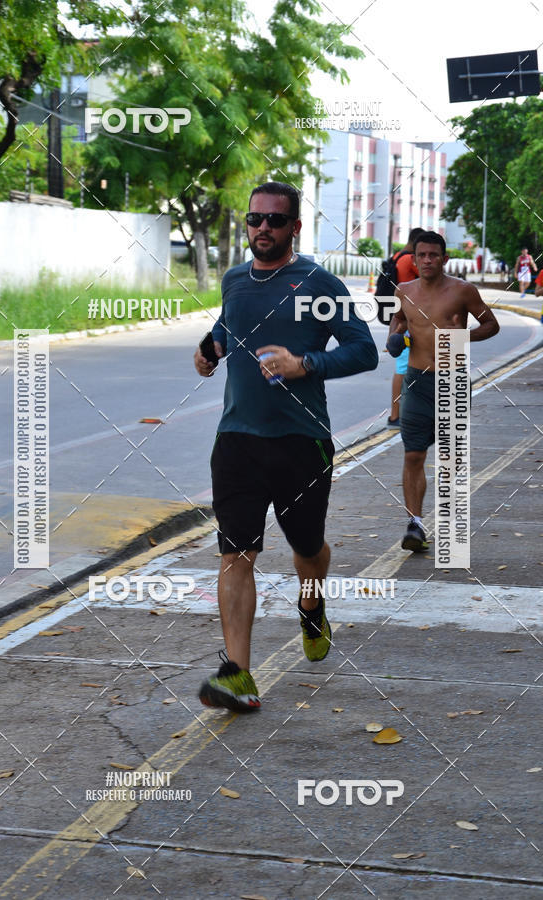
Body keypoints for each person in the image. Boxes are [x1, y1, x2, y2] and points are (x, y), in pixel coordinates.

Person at [193, 181, 378, 711]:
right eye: (255, 220)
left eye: (275, 221)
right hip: (237, 441)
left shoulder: (318, 283)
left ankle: (312, 604)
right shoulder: (234, 280)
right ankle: (238, 676)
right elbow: (226, 332)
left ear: (295, 226)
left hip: (302, 443)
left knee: (307, 549)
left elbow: (364, 351)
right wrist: (208, 353)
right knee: (236, 554)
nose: (263, 229)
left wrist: (306, 365)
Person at [387, 232, 499, 552]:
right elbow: (398, 322)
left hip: (453, 381)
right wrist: (396, 337)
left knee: (449, 459)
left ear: (444, 259)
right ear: (414, 257)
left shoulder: (462, 290)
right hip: (416, 381)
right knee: (413, 454)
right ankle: (415, 524)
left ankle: (450, 524)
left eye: (433, 255)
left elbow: (491, 324)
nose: (426, 260)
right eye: (421, 255)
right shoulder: (403, 291)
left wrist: (463, 337)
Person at [387, 228, 424, 427]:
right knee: (402, 368)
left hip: (401, 315)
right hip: (408, 319)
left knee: (405, 367)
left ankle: (399, 414)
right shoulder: (409, 260)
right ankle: (395, 416)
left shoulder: (397, 256)